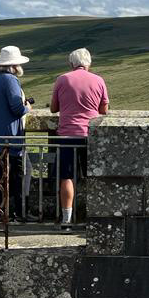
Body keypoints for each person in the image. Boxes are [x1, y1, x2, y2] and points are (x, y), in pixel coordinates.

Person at [50, 47, 108, 229]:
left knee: (66, 177)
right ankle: (95, 218)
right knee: (93, 176)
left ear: (71, 63)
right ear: (89, 63)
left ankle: (66, 219)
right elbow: (104, 110)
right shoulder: (99, 80)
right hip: (89, 135)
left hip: (66, 135)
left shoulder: (62, 79)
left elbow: (53, 108)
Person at [0, 45, 31, 223]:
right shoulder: (10, 80)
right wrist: (27, 107)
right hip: (9, 137)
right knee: (15, 177)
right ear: (14, 65)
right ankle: (16, 214)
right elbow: (17, 108)